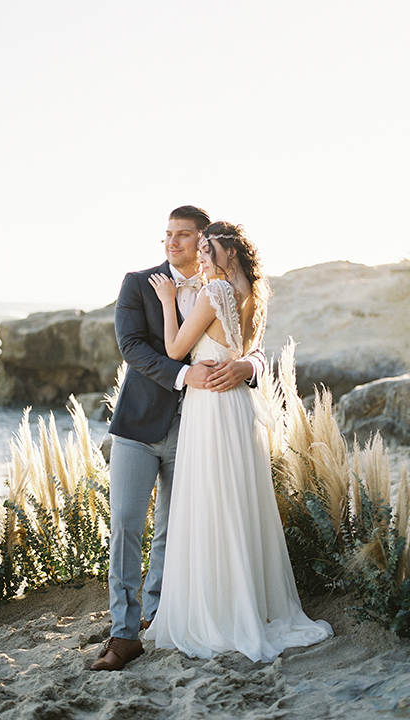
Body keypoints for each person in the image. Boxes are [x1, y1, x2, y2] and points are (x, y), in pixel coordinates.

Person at [145, 221, 333, 661]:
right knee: (237, 499)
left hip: (210, 406)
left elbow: (175, 350)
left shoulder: (216, 294)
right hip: (235, 409)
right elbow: (248, 353)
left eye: (209, 250)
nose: (203, 258)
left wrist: (169, 302)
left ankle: (220, 610)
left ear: (228, 252)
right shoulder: (254, 295)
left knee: (212, 500)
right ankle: (246, 601)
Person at [91, 207, 264, 671]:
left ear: (202, 239)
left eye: (183, 235)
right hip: (138, 428)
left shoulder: (221, 286)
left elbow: (252, 345)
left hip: (197, 429)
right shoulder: (138, 282)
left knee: (173, 529)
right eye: (167, 235)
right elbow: (132, 348)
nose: (171, 242)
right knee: (127, 525)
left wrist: (248, 367)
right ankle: (123, 635)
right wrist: (187, 374)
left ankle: (158, 618)